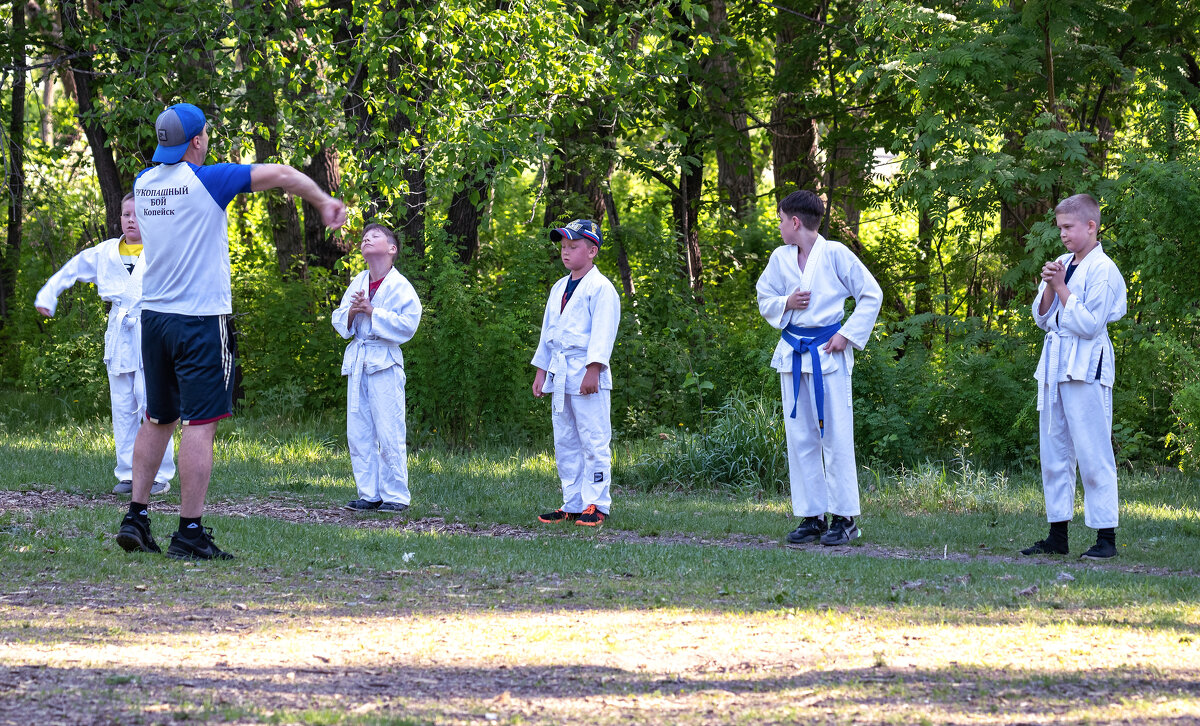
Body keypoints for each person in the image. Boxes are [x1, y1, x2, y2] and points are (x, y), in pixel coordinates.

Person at [115, 102, 347, 560]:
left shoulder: (143, 184)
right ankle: (189, 530)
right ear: (198, 140)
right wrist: (323, 200)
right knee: (201, 422)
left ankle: (136, 517)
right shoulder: (207, 180)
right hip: (200, 321)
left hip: (154, 318)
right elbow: (280, 172)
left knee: (157, 416)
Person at [757, 190, 882, 547]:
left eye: (781, 220)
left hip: (828, 354)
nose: (779, 226)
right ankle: (812, 516)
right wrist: (786, 302)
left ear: (795, 222)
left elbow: (871, 294)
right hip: (793, 353)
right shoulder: (780, 259)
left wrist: (847, 334)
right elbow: (765, 298)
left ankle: (844, 518)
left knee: (835, 438)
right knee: (801, 439)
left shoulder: (837, 254)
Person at [35, 192, 176, 496]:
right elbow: (73, 269)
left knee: (153, 404)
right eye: (126, 214)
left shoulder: (162, 250)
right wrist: (49, 294)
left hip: (151, 330)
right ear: (119, 218)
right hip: (120, 334)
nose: (130, 220)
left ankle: (160, 475)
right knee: (123, 406)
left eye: (137, 215)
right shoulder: (106, 252)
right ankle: (127, 473)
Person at [1023, 193, 1127, 560]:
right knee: (1054, 450)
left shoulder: (1104, 270)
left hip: (1087, 365)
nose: (1063, 235)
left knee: (1093, 450)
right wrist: (1052, 284)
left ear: (1090, 226)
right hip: (1056, 363)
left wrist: (1062, 286)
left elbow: (1088, 325)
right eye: (1060, 228)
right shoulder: (1062, 262)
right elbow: (1042, 318)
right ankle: (1058, 534)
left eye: (1068, 228)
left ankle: (1106, 537)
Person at [532, 219, 621, 527]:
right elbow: (548, 332)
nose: (566, 252)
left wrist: (593, 369)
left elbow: (603, 332)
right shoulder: (559, 287)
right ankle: (572, 502)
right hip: (560, 371)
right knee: (566, 439)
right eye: (563, 247)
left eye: (573, 246)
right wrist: (541, 371)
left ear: (592, 250)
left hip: (586, 370)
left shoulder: (601, 288)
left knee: (593, 438)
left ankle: (597, 503)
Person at [332, 223, 422, 513]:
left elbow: (409, 323)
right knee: (358, 431)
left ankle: (396, 495)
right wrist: (353, 312)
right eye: (364, 237)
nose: (367, 239)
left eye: (375, 236)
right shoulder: (358, 281)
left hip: (384, 362)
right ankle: (368, 494)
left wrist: (373, 312)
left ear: (392, 248)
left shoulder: (400, 286)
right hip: (359, 360)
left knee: (389, 430)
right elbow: (338, 319)